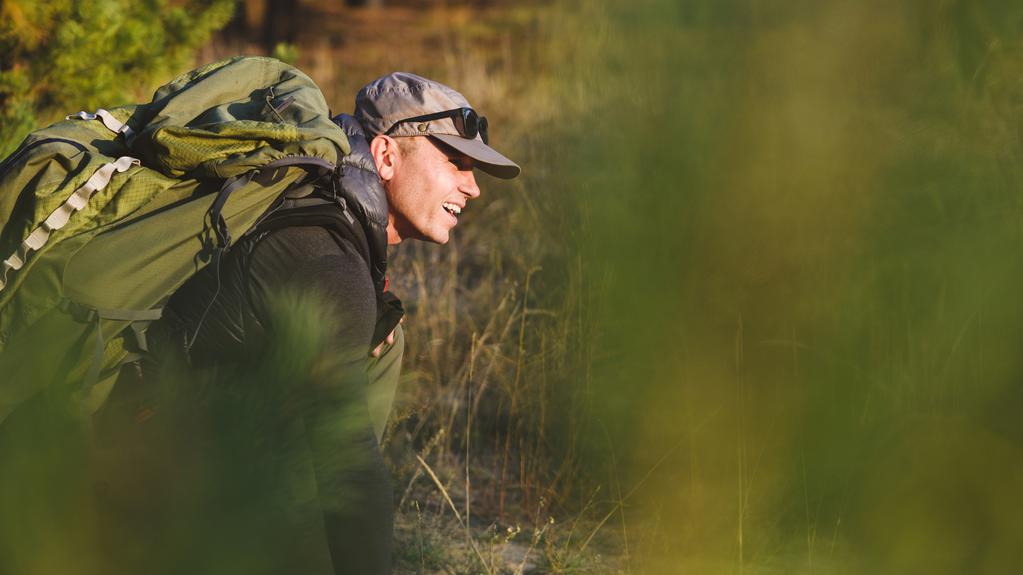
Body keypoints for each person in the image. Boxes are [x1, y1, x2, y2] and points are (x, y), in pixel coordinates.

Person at [92, 72, 520, 574]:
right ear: (385, 157)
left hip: (150, 447)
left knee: (384, 338)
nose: (472, 187)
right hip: (127, 489)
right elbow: (351, 473)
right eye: (455, 162)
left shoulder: (309, 207)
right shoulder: (329, 264)